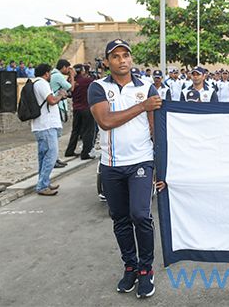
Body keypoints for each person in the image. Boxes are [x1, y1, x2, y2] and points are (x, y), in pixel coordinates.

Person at [88, 39, 162, 298]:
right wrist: (142, 106)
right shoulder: (97, 88)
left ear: (131, 59)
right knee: (120, 219)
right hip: (110, 165)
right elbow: (106, 121)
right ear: (107, 62)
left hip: (141, 162)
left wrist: (162, 168)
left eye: (126, 55)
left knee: (140, 215)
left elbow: (156, 130)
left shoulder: (147, 87)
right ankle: (130, 266)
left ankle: (146, 270)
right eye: (116, 56)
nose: (122, 60)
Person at [31, 63, 68, 196]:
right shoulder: (42, 83)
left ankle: (43, 182)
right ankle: (42, 185)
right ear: (46, 73)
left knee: (43, 156)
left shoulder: (37, 83)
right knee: (51, 156)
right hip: (46, 126)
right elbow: (52, 101)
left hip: (41, 126)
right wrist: (61, 95)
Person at [65, 64, 96, 159]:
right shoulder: (87, 80)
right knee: (88, 130)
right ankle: (85, 153)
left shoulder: (71, 81)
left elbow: (69, 93)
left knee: (75, 130)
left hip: (76, 108)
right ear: (82, 71)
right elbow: (97, 83)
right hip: (86, 108)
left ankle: (70, 150)